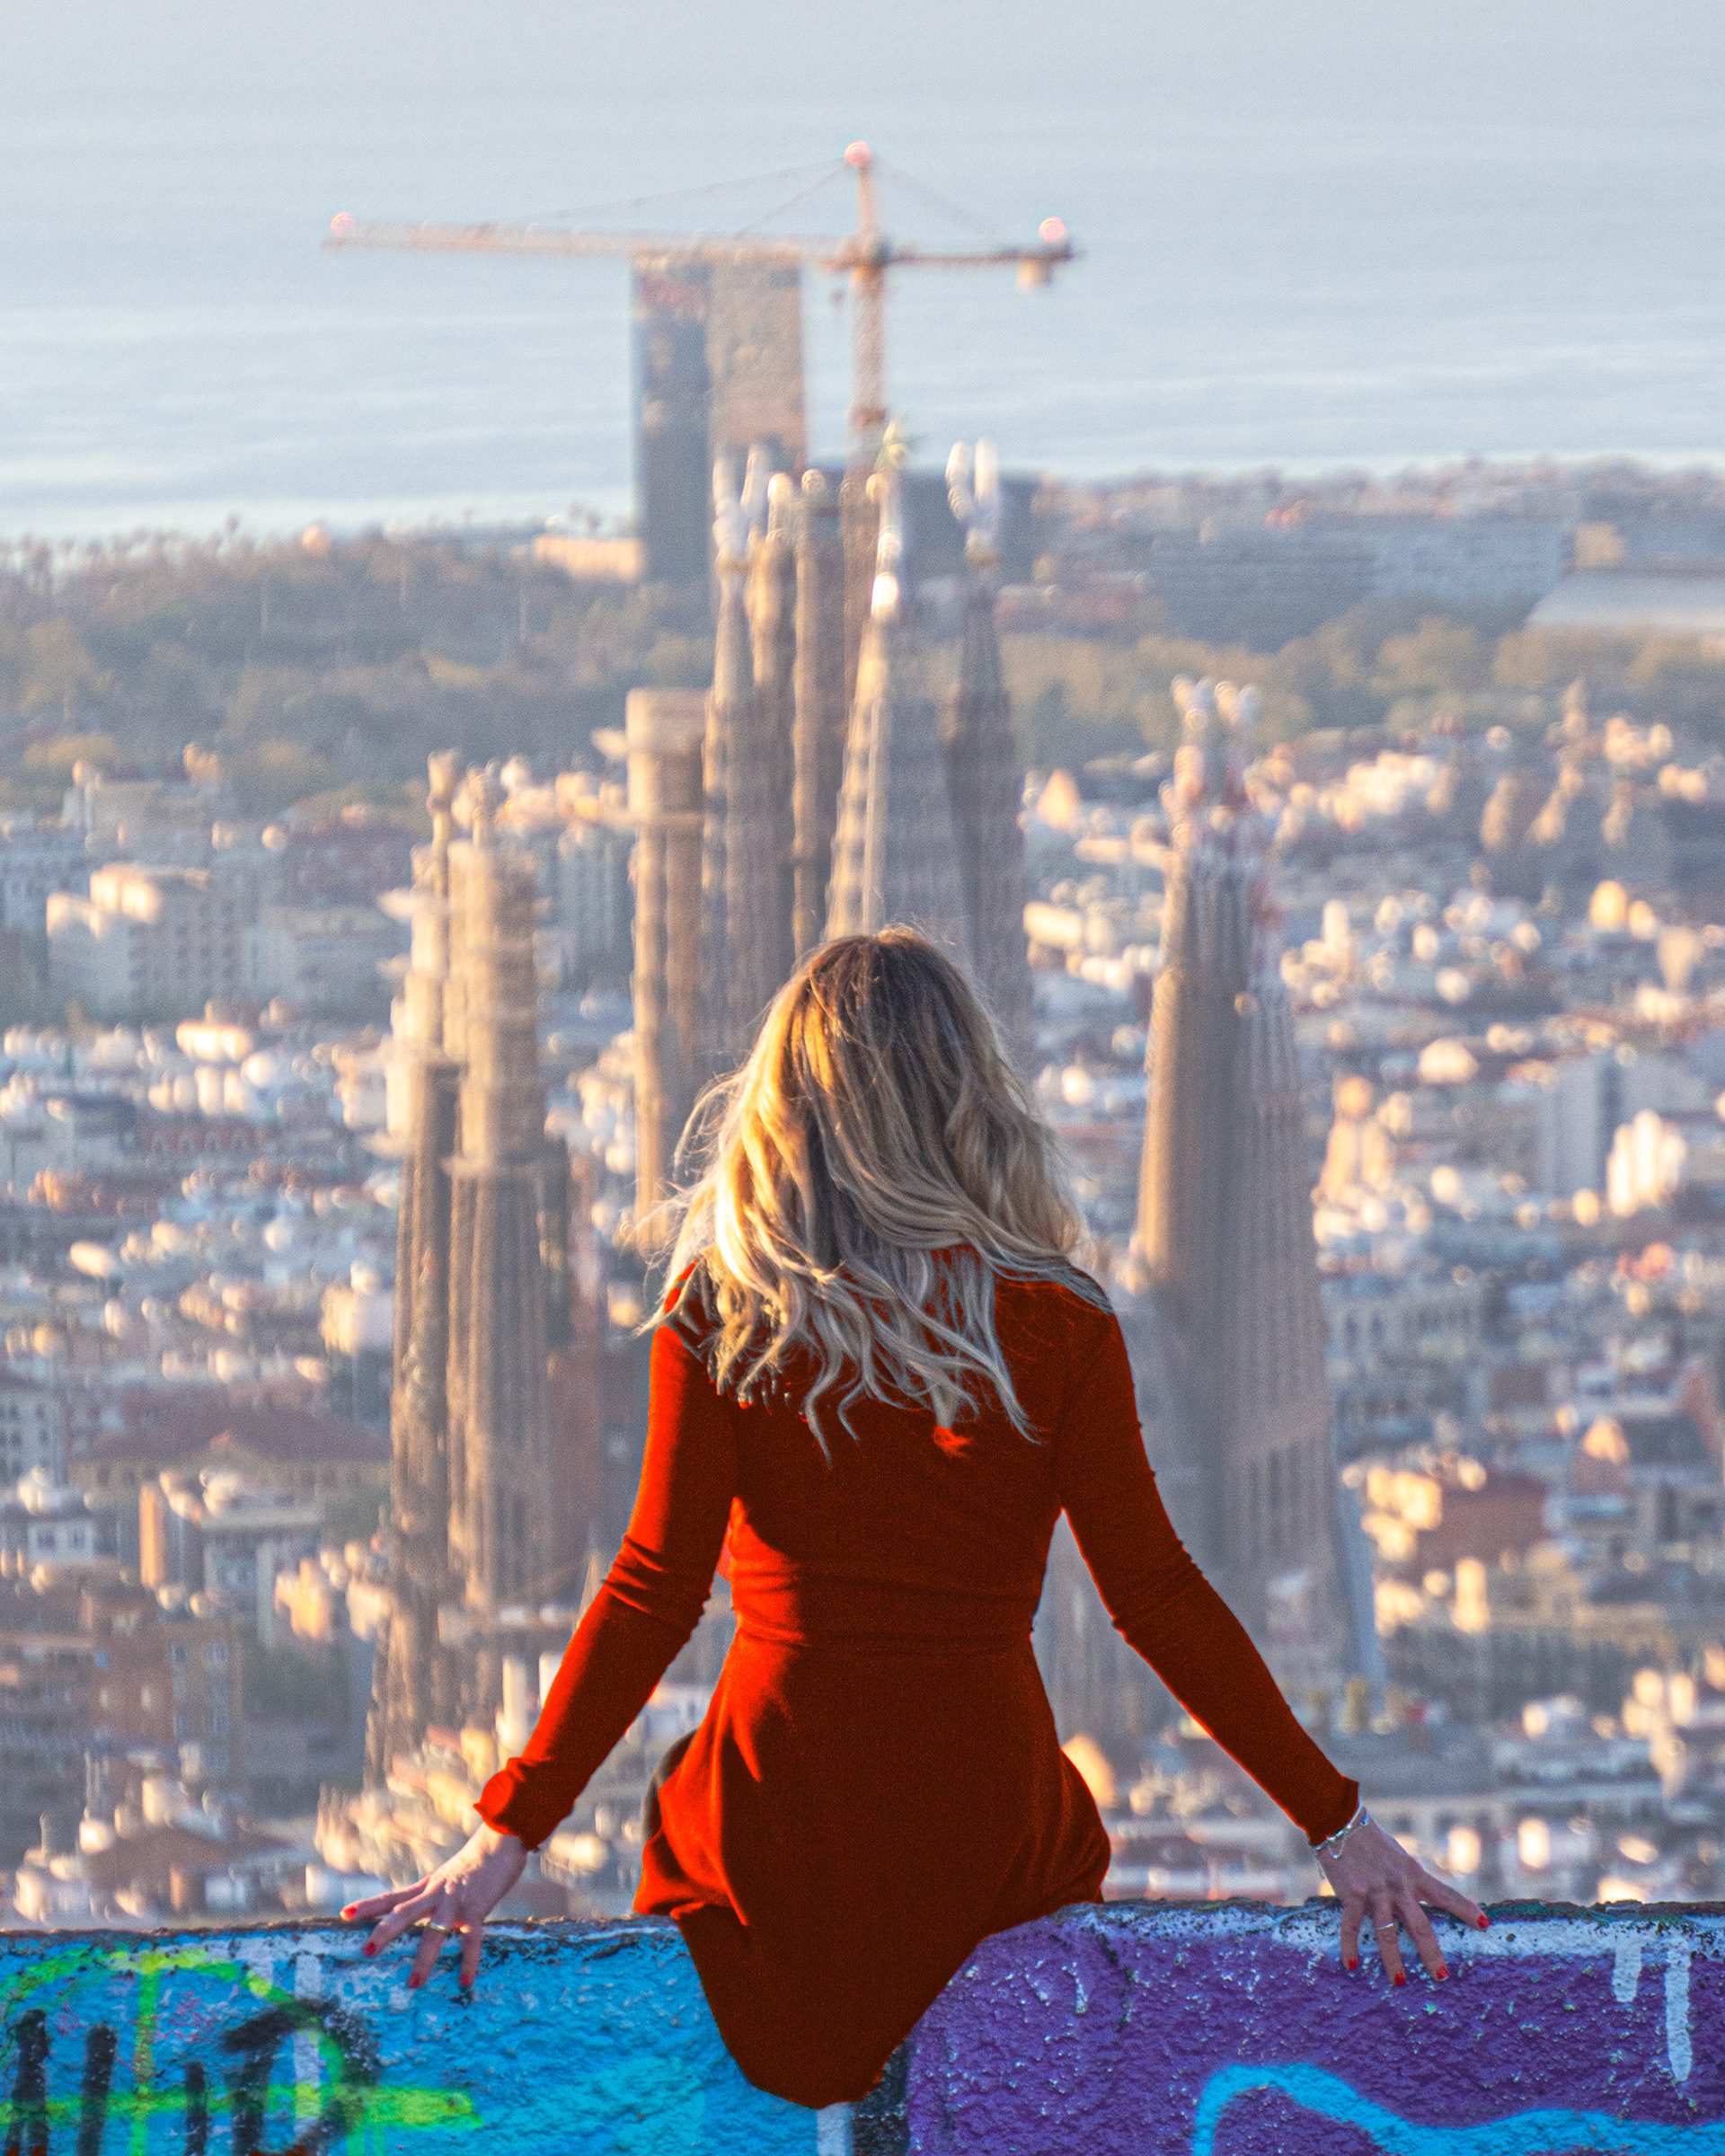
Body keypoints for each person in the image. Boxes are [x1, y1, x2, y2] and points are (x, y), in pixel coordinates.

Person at [346, 929, 1484, 2109]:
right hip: (984, 1831)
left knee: (691, 1830)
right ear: (969, 1100)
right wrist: (1338, 1827)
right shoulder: (1058, 1326)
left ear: (791, 1110)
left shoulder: (726, 1315)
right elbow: (1155, 1596)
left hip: (774, 1832)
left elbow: (653, 1589)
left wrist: (504, 1840)